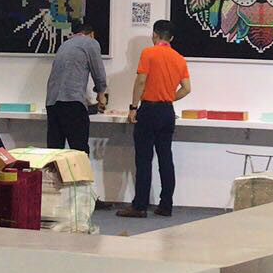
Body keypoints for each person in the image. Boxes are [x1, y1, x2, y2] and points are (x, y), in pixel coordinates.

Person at [118, 20, 191, 219]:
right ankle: (166, 205)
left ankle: (140, 206)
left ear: (154, 35)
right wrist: (168, 97)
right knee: (166, 158)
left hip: (149, 110)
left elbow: (141, 81)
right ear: (171, 38)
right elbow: (186, 88)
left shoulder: (148, 53)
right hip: (167, 112)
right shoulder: (179, 59)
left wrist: (133, 107)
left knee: (144, 159)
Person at [44, 25, 108, 152]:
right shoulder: (90, 43)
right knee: (79, 152)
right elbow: (98, 72)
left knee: (54, 152)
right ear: (92, 34)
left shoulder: (64, 45)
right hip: (72, 103)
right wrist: (101, 94)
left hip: (52, 103)